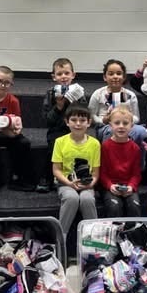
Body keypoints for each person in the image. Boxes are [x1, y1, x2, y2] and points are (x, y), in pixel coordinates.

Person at [51, 103, 101, 236]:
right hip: (65, 183)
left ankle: (94, 236)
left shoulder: (95, 144)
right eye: (73, 120)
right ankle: (61, 236)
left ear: (89, 122)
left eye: (82, 120)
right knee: (71, 197)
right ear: (67, 122)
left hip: (86, 183)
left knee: (87, 199)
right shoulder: (60, 142)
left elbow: (95, 172)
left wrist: (91, 184)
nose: (78, 124)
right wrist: (69, 183)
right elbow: (56, 170)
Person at [39, 57, 87, 193]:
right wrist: (58, 106)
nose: (64, 76)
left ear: (73, 75)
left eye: (67, 73)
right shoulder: (50, 94)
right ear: (54, 77)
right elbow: (47, 120)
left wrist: (73, 103)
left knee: (80, 145)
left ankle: (76, 175)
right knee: (54, 146)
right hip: (57, 129)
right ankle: (47, 177)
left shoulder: (79, 92)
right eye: (59, 74)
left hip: (75, 129)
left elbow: (84, 114)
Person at [88, 59, 147, 143]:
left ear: (124, 77)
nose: (115, 76)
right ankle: (109, 155)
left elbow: (136, 117)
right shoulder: (98, 94)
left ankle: (136, 155)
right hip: (106, 126)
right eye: (111, 74)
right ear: (105, 77)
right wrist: (102, 120)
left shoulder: (130, 95)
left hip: (127, 125)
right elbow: (91, 115)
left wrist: (126, 120)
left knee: (142, 132)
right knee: (112, 131)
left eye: (119, 74)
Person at [100, 105, 142, 217]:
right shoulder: (105, 146)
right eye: (117, 123)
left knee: (135, 205)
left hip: (128, 185)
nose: (121, 126)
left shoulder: (135, 148)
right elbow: (102, 173)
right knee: (114, 206)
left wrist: (131, 187)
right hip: (110, 186)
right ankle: (115, 232)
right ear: (110, 126)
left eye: (125, 123)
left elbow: (136, 174)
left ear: (132, 126)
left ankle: (134, 233)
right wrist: (110, 186)